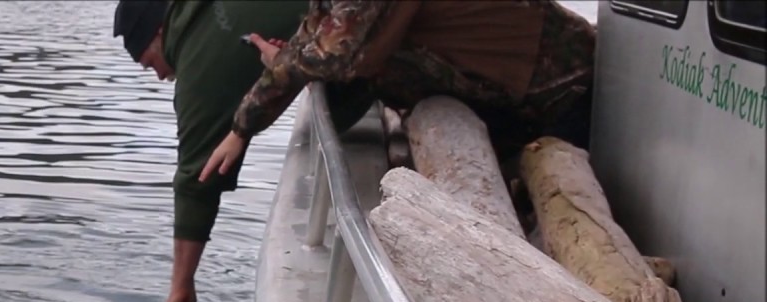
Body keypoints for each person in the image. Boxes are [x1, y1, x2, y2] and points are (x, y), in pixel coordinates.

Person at [115, 0, 373, 302]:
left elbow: (198, 178)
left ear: (160, 30)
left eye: (150, 63)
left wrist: (181, 285)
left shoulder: (199, 62)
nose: (161, 75)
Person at [201, 0, 597, 185]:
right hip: (512, 103)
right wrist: (286, 57)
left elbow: (338, 52)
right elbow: (319, 32)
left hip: (568, 94)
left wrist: (242, 127)